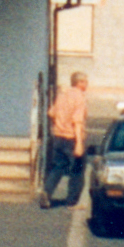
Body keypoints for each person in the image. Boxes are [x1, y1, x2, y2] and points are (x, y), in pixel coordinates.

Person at [42, 71, 89, 207]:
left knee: (58, 167)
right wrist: (79, 143)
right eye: (85, 82)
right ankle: (72, 201)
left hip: (58, 137)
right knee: (77, 170)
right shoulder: (79, 98)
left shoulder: (62, 95)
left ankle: (47, 192)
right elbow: (77, 121)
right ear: (79, 83)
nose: (87, 85)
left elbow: (51, 113)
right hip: (72, 138)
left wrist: (59, 125)